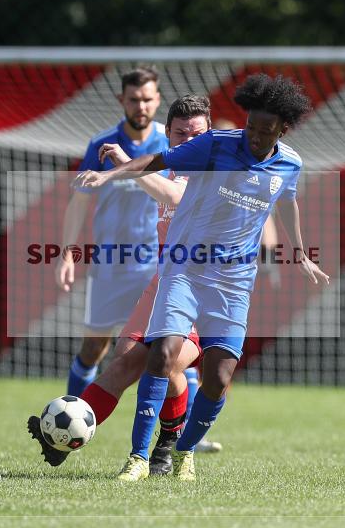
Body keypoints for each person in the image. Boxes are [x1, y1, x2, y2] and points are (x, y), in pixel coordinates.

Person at [76, 74, 329, 481]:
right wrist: (110, 174)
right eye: (251, 127)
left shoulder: (289, 163)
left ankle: (181, 450)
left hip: (232, 283)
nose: (256, 137)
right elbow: (157, 163)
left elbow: (287, 201)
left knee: (218, 376)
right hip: (183, 271)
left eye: (267, 130)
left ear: (282, 130)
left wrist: (298, 251)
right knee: (156, 357)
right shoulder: (214, 147)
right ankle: (139, 457)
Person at [28, 95, 210, 478]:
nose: (189, 141)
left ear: (208, 134)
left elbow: (176, 198)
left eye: (197, 133)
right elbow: (159, 190)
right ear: (170, 136)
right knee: (126, 363)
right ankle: (62, 438)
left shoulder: (216, 171)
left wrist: (127, 168)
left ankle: (167, 446)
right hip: (164, 282)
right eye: (181, 134)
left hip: (205, 288)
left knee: (165, 364)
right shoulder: (170, 167)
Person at [56, 67, 168, 397]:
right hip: (110, 266)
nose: (141, 107)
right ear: (122, 99)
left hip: (157, 267)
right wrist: (67, 254)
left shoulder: (169, 144)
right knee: (94, 349)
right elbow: (78, 202)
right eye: (134, 100)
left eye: (147, 99)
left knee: (168, 350)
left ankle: (185, 435)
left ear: (157, 99)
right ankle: (71, 421)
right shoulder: (101, 144)